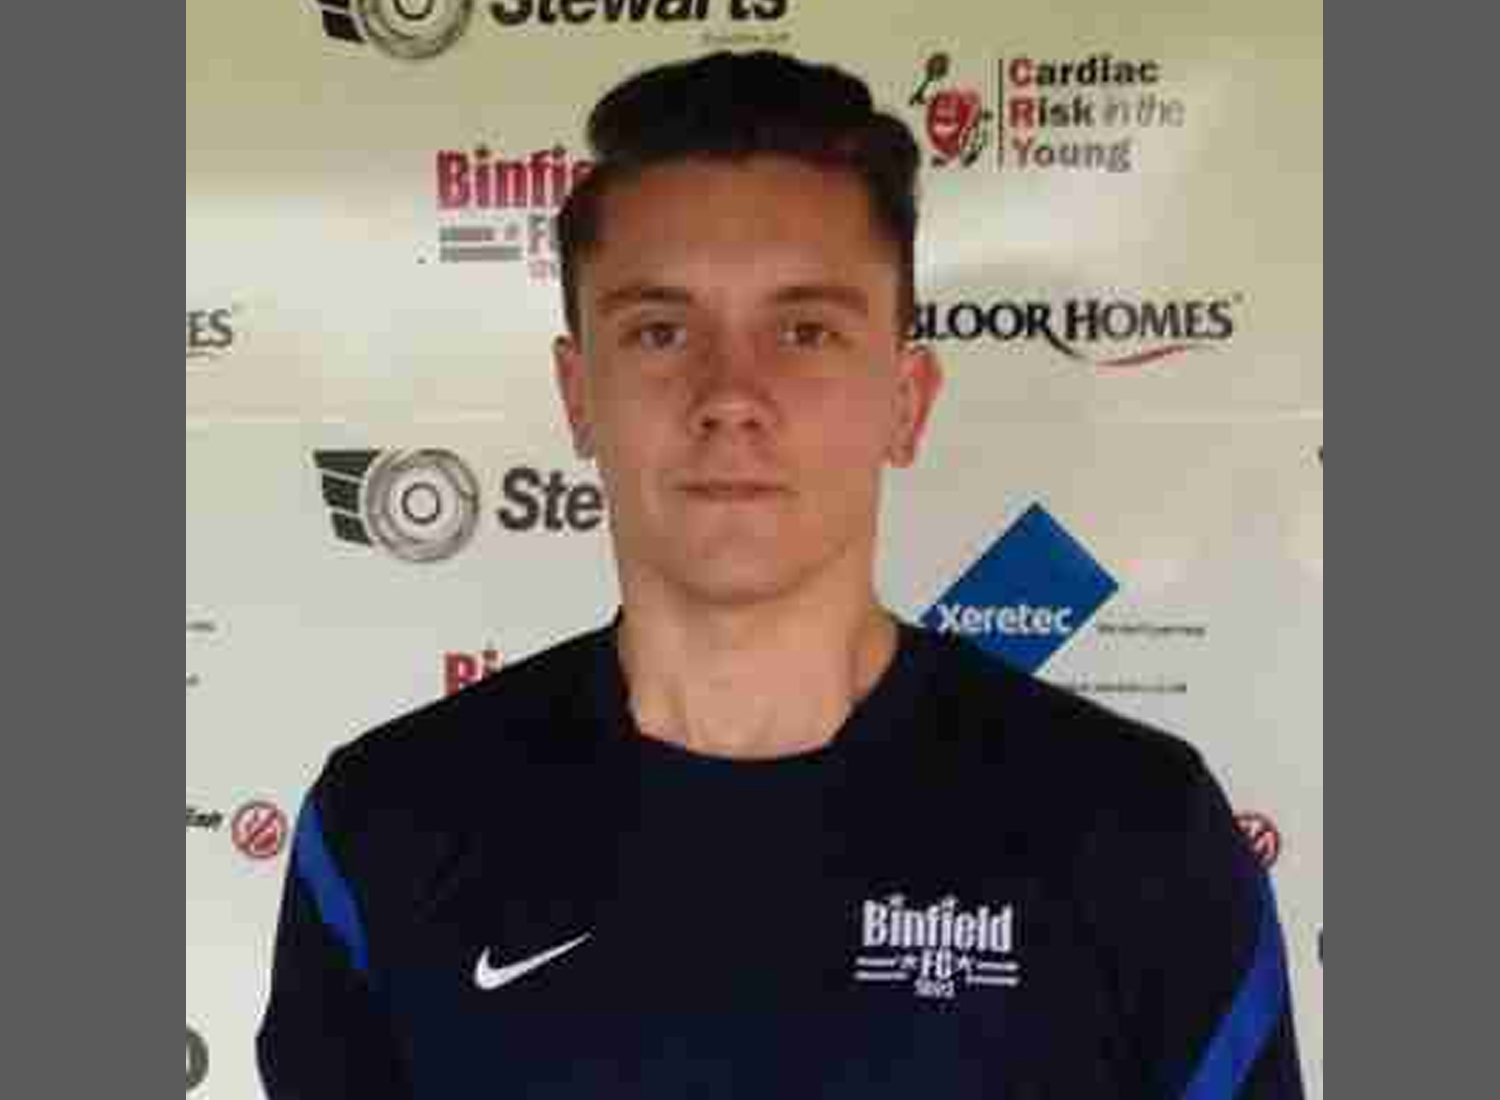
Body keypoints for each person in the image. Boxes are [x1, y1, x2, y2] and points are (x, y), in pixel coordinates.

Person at [257, 50, 1304, 1097]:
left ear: (908, 397)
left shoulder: (1137, 835)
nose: (731, 395)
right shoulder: (388, 825)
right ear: (579, 393)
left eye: (805, 330)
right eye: (661, 330)